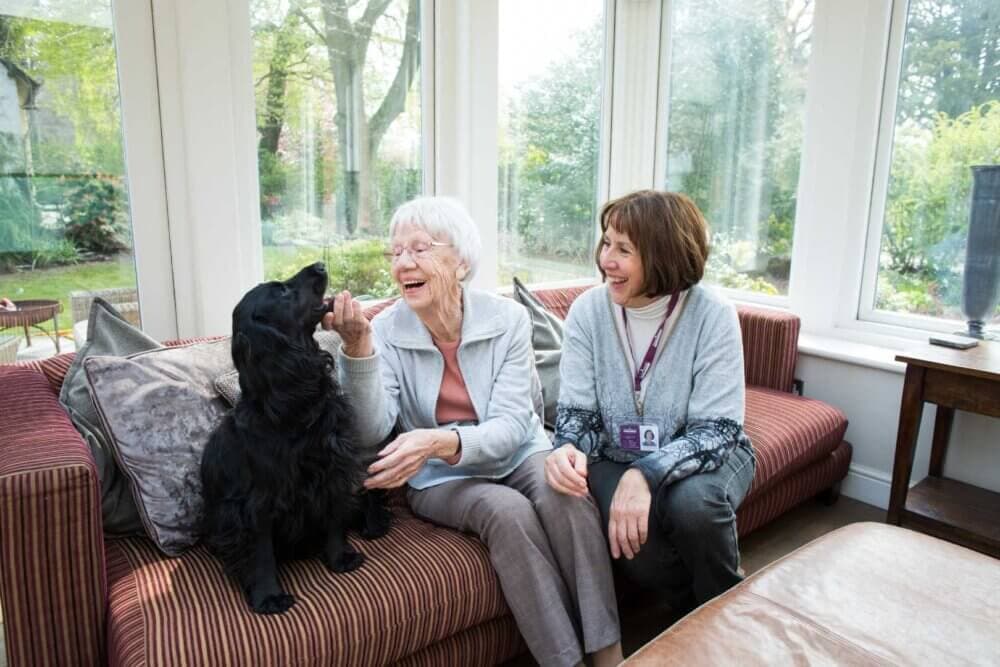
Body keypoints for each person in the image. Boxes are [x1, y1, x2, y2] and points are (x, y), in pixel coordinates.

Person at [325, 196, 623, 667]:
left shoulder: (507, 320)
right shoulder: (382, 329)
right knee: (506, 511)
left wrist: (440, 440)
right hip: (440, 477)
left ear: (460, 261)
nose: (403, 262)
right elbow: (368, 432)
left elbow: (510, 426)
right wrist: (358, 348)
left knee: (568, 497)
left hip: (518, 450)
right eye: (396, 252)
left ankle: (610, 657)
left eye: (419, 248)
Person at [545, 189, 756, 613]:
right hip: (612, 455)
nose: (607, 259)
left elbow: (717, 430)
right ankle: (687, 614)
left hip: (707, 453)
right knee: (636, 550)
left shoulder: (712, 314)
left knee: (693, 506)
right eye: (606, 243)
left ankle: (727, 620)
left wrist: (644, 475)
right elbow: (577, 415)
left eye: (624, 249)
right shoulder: (588, 310)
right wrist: (565, 449)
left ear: (663, 254)